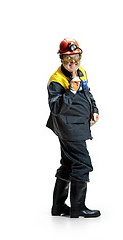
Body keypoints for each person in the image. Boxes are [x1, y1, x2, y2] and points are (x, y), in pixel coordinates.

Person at [46, 38, 100, 218]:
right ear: (61, 59)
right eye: (68, 58)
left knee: (68, 164)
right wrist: (71, 91)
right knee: (82, 163)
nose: (73, 62)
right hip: (69, 128)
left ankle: (58, 207)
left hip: (78, 125)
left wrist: (94, 110)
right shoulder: (56, 80)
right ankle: (78, 208)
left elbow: (88, 93)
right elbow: (55, 109)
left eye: (76, 57)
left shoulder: (81, 71)